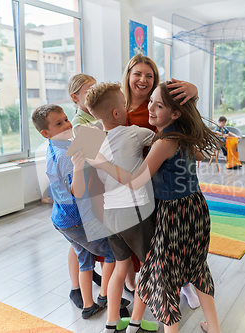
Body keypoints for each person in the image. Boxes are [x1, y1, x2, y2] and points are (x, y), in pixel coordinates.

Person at [87, 82, 223, 333]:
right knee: (196, 267)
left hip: (169, 214)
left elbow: (136, 181)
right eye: (151, 101)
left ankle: (131, 323)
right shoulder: (178, 135)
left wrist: (102, 163)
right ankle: (213, 327)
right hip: (194, 207)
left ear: (174, 113)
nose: (149, 107)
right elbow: (200, 155)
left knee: (163, 278)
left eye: (158, 105)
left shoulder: (160, 141)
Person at [121, 54, 201, 309]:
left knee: (162, 247)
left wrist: (195, 90)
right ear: (127, 75)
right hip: (126, 191)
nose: (143, 80)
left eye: (149, 75)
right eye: (137, 74)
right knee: (126, 251)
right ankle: (132, 292)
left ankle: (174, 288)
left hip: (156, 190)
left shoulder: (160, 108)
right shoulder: (116, 107)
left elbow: (187, 118)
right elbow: (92, 136)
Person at [84, 82, 157, 333]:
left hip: (108, 214)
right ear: (117, 113)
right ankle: (135, 323)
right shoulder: (134, 133)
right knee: (149, 266)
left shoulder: (90, 139)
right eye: (124, 105)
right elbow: (158, 138)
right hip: (134, 212)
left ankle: (111, 322)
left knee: (119, 265)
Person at [31, 104, 115, 319]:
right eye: (59, 124)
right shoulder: (66, 157)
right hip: (76, 220)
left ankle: (88, 306)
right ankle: (104, 296)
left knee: (85, 259)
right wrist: (80, 167)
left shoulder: (54, 147)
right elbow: (77, 191)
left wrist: (89, 141)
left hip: (62, 219)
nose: (68, 124)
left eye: (66, 119)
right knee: (111, 253)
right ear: (45, 133)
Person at [64, 73, 102, 309]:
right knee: (78, 243)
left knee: (93, 239)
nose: (94, 95)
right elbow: (91, 153)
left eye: (96, 90)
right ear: (75, 97)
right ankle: (75, 288)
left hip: (97, 186)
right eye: (89, 91)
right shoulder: (80, 123)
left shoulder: (93, 116)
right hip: (85, 187)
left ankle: (87, 277)